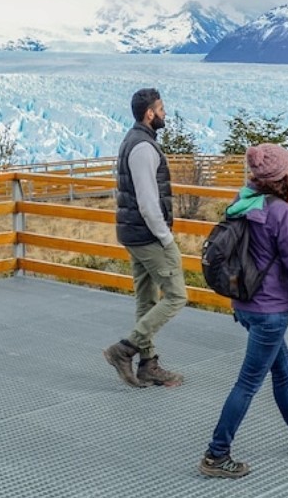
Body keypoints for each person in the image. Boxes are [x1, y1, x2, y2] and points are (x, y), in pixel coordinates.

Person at [199, 143, 288, 479]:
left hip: (245, 305)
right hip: (270, 311)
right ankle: (216, 454)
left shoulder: (242, 202)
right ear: (283, 175)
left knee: (283, 370)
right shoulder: (282, 214)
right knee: (248, 383)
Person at [103, 88, 187, 388]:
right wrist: (166, 238)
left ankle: (148, 365)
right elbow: (148, 202)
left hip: (133, 233)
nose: (164, 113)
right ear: (149, 113)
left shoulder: (133, 140)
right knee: (177, 296)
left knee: (147, 299)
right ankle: (124, 350)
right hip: (148, 235)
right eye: (161, 108)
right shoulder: (143, 148)